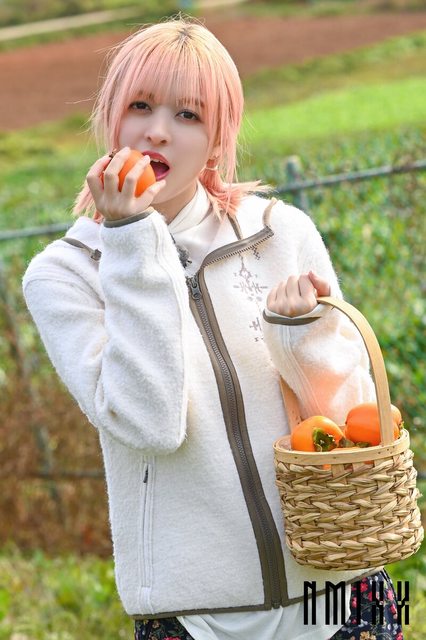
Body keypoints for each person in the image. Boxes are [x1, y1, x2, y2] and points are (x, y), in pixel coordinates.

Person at [22, 16, 403, 640]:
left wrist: (299, 340)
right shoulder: (65, 274)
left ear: (218, 140)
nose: (157, 131)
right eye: (140, 106)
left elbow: (356, 421)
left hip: (339, 593)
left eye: (188, 115)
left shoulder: (281, 232)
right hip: (195, 617)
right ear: (111, 116)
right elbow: (151, 423)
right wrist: (130, 239)